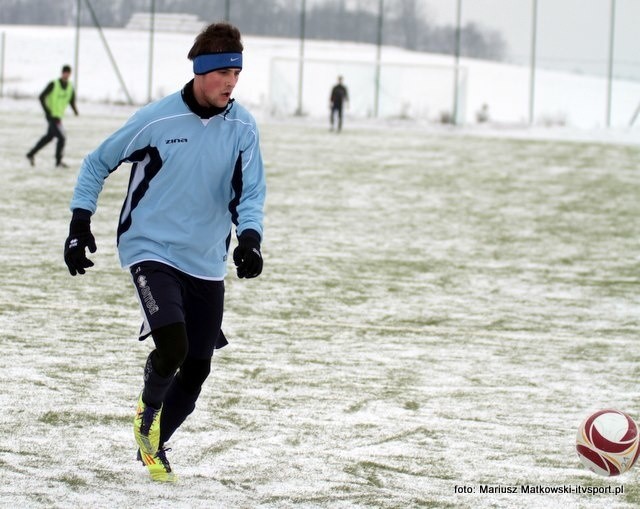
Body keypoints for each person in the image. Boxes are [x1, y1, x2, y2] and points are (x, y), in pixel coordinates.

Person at [63, 22, 266, 483]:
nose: (232, 82)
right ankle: (148, 415)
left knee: (197, 369)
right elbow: (98, 162)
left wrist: (250, 238)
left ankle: (153, 443)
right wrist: (80, 222)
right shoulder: (157, 119)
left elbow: (251, 192)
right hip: (149, 247)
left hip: (206, 258)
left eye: (238, 73)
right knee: (171, 346)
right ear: (200, 72)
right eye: (223, 73)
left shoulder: (243, 127)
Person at [26, 64, 78, 168]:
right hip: (52, 116)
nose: (66, 75)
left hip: (58, 117)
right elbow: (41, 97)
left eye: (68, 73)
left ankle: (31, 154)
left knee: (49, 137)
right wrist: (47, 111)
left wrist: (75, 110)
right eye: (65, 72)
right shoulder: (53, 84)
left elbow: (71, 101)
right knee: (62, 138)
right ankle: (58, 162)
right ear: (62, 73)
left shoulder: (69, 87)